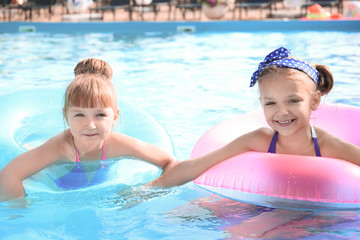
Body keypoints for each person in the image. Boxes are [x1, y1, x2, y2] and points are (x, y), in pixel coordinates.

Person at [149, 47, 360, 188]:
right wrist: (153, 187)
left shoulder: (326, 145)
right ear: (261, 104)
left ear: (314, 101)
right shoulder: (260, 139)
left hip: (320, 212)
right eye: (271, 103)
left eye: (293, 101)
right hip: (266, 204)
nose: (282, 112)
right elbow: (198, 165)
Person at [0, 60, 176, 202]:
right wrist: (20, 209)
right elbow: (8, 175)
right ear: (66, 117)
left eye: (99, 114)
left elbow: (170, 162)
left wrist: (146, 190)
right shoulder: (60, 147)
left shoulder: (117, 143)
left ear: (114, 117)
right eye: (79, 115)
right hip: (60, 180)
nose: (90, 125)